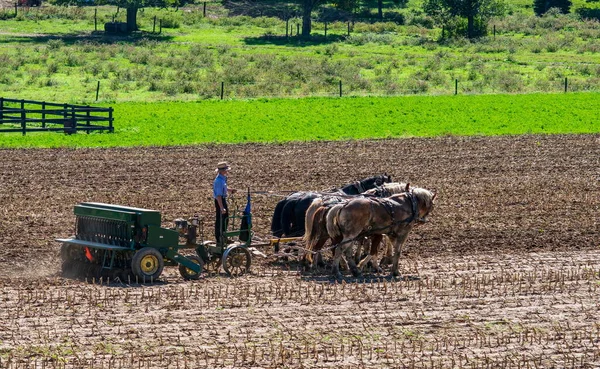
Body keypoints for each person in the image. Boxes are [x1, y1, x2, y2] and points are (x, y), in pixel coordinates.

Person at [213, 161, 237, 244]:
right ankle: (220, 238)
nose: (227, 171)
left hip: (222, 199)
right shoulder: (218, 181)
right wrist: (221, 207)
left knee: (225, 219)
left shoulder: (222, 179)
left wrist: (230, 190)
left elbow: (223, 188)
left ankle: (224, 237)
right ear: (221, 170)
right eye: (225, 170)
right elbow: (218, 195)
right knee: (221, 220)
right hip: (220, 201)